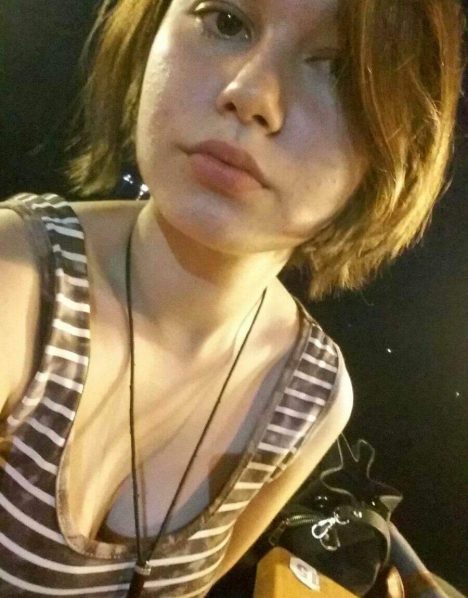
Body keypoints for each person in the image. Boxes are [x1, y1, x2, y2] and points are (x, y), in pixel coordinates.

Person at [0, 0, 463, 596]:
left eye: (339, 68)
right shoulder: (19, 285)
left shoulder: (309, 398)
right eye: (226, 22)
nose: (251, 94)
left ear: (395, 144)